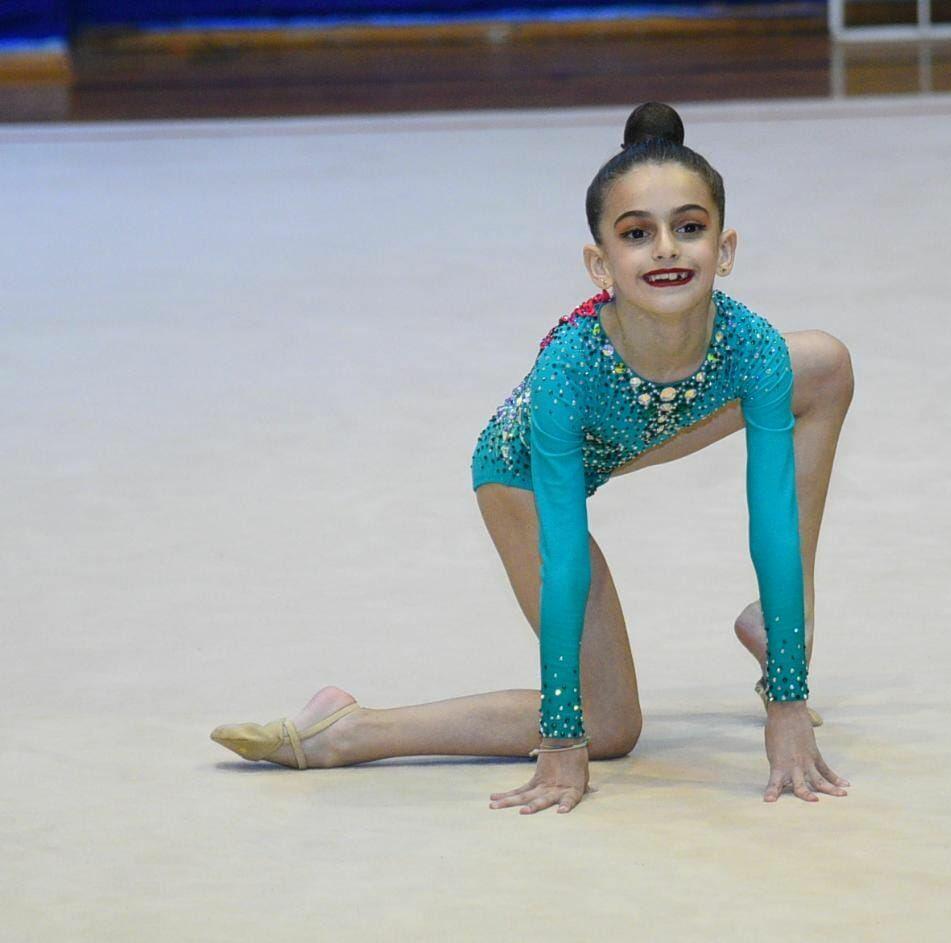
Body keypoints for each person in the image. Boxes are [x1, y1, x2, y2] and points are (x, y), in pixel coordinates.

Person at [210, 101, 855, 814]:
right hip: (524, 475)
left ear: (725, 250)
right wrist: (562, 735)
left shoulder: (753, 345)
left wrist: (787, 701)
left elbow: (772, 523)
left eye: (689, 228)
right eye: (637, 234)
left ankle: (779, 625)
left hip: (641, 423)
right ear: (600, 263)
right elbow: (564, 557)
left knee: (822, 365)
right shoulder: (568, 368)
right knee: (609, 723)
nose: (667, 249)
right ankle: (350, 728)